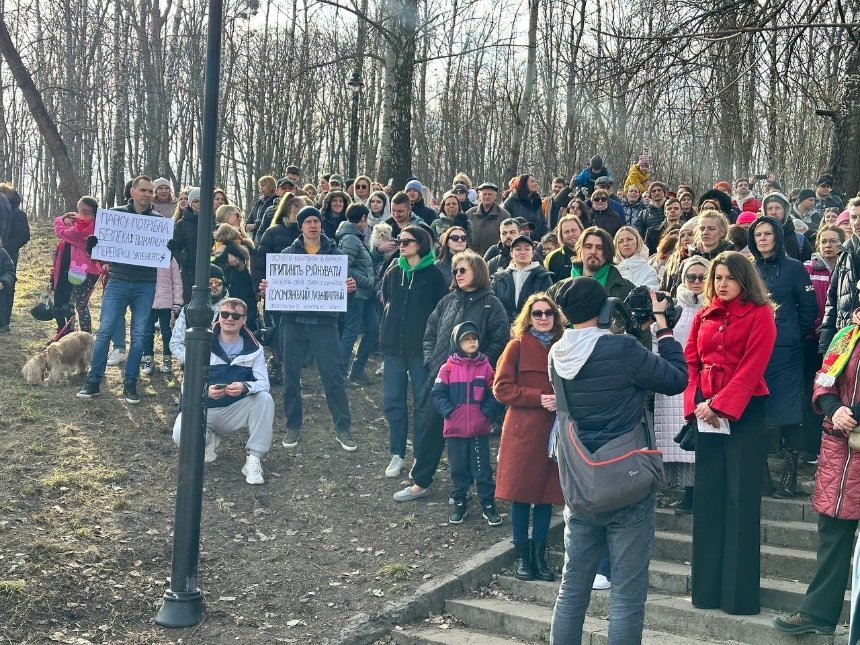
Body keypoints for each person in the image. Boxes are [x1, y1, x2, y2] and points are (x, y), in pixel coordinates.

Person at [548, 278, 687, 644]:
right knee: (626, 595)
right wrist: (664, 330)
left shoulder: (556, 354)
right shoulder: (621, 348)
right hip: (628, 480)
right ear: (606, 306)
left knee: (572, 590)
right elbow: (675, 380)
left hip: (580, 482)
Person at [685, 251, 777, 615]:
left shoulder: (760, 315)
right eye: (717, 277)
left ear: (744, 280)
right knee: (708, 498)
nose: (721, 284)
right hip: (706, 412)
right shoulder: (703, 313)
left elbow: (753, 367)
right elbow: (691, 360)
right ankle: (706, 592)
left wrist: (721, 405)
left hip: (745, 411)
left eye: (729, 277)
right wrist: (696, 405)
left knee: (741, 500)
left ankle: (738, 598)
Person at [393, 250, 509, 502]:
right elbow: (430, 332)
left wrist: (479, 368)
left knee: (469, 437)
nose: (458, 274)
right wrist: (430, 361)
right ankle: (421, 482)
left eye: (463, 270)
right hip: (441, 378)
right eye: (456, 270)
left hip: (474, 386)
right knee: (428, 428)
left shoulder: (492, 303)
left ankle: (462, 490)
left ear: (477, 271)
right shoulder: (448, 301)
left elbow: (501, 341)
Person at [772, 316, 860, 636]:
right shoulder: (847, 335)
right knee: (832, 533)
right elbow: (824, 378)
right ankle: (818, 613)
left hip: (852, 435)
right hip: (841, 450)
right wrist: (833, 406)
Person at [266, 206, 356, 451]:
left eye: (316, 221)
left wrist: (349, 287)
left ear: (320, 225)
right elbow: (278, 292)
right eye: (308, 222)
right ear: (301, 226)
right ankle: (293, 426)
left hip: (325, 323)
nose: (313, 225)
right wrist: (269, 289)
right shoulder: (287, 253)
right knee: (290, 376)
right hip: (293, 322)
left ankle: (343, 428)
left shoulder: (335, 255)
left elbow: (346, 289)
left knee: (333, 376)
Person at [494, 294, 565, 581]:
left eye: (549, 313)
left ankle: (540, 555)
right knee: (521, 497)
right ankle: (522, 557)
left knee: (546, 497)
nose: (544, 318)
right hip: (523, 431)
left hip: (553, 430)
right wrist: (539, 398)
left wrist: (560, 401)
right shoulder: (517, 346)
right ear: (529, 316)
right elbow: (501, 389)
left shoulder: (563, 346)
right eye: (537, 313)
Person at [170, 297, 274, 485]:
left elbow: (264, 383)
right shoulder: (203, 342)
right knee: (180, 437)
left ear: (244, 320)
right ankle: (208, 441)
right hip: (202, 409)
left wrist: (245, 387)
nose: (229, 319)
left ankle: (254, 459)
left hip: (233, 410)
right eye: (225, 314)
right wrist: (205, 392)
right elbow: (187, 384)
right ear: (219, 316)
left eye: (235, 315)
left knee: (265, 399)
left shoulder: (255, 349)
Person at [748, 216, 817, 497]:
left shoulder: (794, 268)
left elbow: (809, 308)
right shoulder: (749, 269)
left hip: (786, 352)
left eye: (767, 234)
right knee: (757, 410)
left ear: (777, 236)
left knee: (789, 412)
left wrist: (790, 335)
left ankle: (789, 479)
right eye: (757, 235)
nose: (762, 239)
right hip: (754, 352)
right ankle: (762, 476)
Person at [77, 176, 160, 403]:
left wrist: (168, 247)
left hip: (146, 283)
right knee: (105, 332)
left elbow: (164, 256)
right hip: (118, 280)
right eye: (143, 190)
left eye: (150, 191)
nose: (147, 194)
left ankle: (130, 382)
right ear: (132, 192)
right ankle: (94, 381)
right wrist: (93, 246)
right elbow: (102, 251)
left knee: (140, 335)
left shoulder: (159, 221)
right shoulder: (115, 216)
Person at [380, 225, 449, 478]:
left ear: (420, 243)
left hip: (422, 351)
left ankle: (420, 455)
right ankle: (396, 453)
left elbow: (440, 314)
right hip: (393, 349)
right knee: (393, 402)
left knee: (422, 404)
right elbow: (386, 301)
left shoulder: (435, 275)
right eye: (399, 240)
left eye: (407, 240)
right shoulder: (393, 272)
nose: (401, 243)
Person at [431, 321, 502, 526]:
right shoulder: (448, 368)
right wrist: (449, 412)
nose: (471, 342)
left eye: (474, 338)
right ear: (456, 342)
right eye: (466, 339)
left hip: (479, 429)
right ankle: (460, 501)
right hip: (455, 429)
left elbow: (494, 392)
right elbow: (438, 393)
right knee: (458, 468)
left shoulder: (486, 366)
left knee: (482, 468)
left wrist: (486, 412)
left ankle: (488, 503)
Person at [653, 256, 709, 515]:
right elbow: (660, 338)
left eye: (702, 277)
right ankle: (682, 491)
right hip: (677, 377)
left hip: (703, 379)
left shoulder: (714, 306)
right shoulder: (674, 308)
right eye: (691, 277)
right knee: (678, 439)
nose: (696, 282)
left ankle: (697, 494)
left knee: (700, 441)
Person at [801, 225, 845, 463]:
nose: (828, 245)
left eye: (834, 241)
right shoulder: (808, 268)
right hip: (811, 340)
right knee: (813, 390)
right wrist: (815, 325)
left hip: (840, 340)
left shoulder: (848, 267)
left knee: (836, 391)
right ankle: (812, 446)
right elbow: (804, 301)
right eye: (824, 241)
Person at [336, 204, 377, 383]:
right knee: (351, 331)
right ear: (362, 219)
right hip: (356, 294)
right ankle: (341, 373)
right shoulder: (351, 239)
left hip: (366, 294)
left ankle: (358, 369)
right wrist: (366, 281)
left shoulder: (356, 237)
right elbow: (344, 266)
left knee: (373, 330)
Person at [52, 197, 103, 334]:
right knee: (76, 302)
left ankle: (84, 334)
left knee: (79, 305)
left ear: (83, 211)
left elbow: (61, 232)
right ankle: (75, 332)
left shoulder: (81, 227)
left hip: (81, 270)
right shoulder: (96, 225)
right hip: (91, 270)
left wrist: (59, 219)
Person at [820, 201, 860, 352]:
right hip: (846, 341)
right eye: (854, 217)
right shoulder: (845, 253)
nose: (857, 222)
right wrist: (825, 346)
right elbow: (832, 302)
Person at [490, 234, 553, 322]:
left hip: (532, 329)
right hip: (503, 328)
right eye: (518, 249)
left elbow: (548, 307)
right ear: (511, 253)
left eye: (527, 249)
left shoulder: (543, 277)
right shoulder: (499, 278)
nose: (522, 252)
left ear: (532, 253)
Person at [141, 251, 182, 376]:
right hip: (148, 301)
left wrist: (177, 302)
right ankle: (148, 359)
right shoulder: (143, 256)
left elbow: (176, 281)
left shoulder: (170, 257)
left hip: (165, 302)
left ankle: (167, 359)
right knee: (147, 332)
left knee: (166, 331)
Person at [0, 184, 29, 330]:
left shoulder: (18, 214)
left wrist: (5, 248)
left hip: (8, 255)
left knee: (7, 285)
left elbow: (24, 235)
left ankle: (4, 321)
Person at [171, 186, 202, 304]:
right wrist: (185, 259)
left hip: (211, 269)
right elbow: (176, 248)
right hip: (188, 272)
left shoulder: (214, 222)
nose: (199, 204)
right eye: (196, 201)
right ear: (191, 203)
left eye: (202, 200)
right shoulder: (181, 224)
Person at [762, 191, 813, 262]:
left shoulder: (799, 239)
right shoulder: (759, 238)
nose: (773, 212)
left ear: (785, 210)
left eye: (777, 208)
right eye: (770, 208)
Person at [468, 183, 511, 255]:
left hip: (495, 257)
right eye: (484, 194)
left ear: (495, 196)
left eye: (490, 194)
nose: (487, 197)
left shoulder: (504, 215)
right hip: (472, 257)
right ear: (480, 196)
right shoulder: (470, 214)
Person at [544, 215, 584, 283]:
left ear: (581, 230)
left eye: (574, 230)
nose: (571, 234)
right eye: (566, 232)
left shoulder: (590, 253)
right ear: (561, 235)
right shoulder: (551, 257)